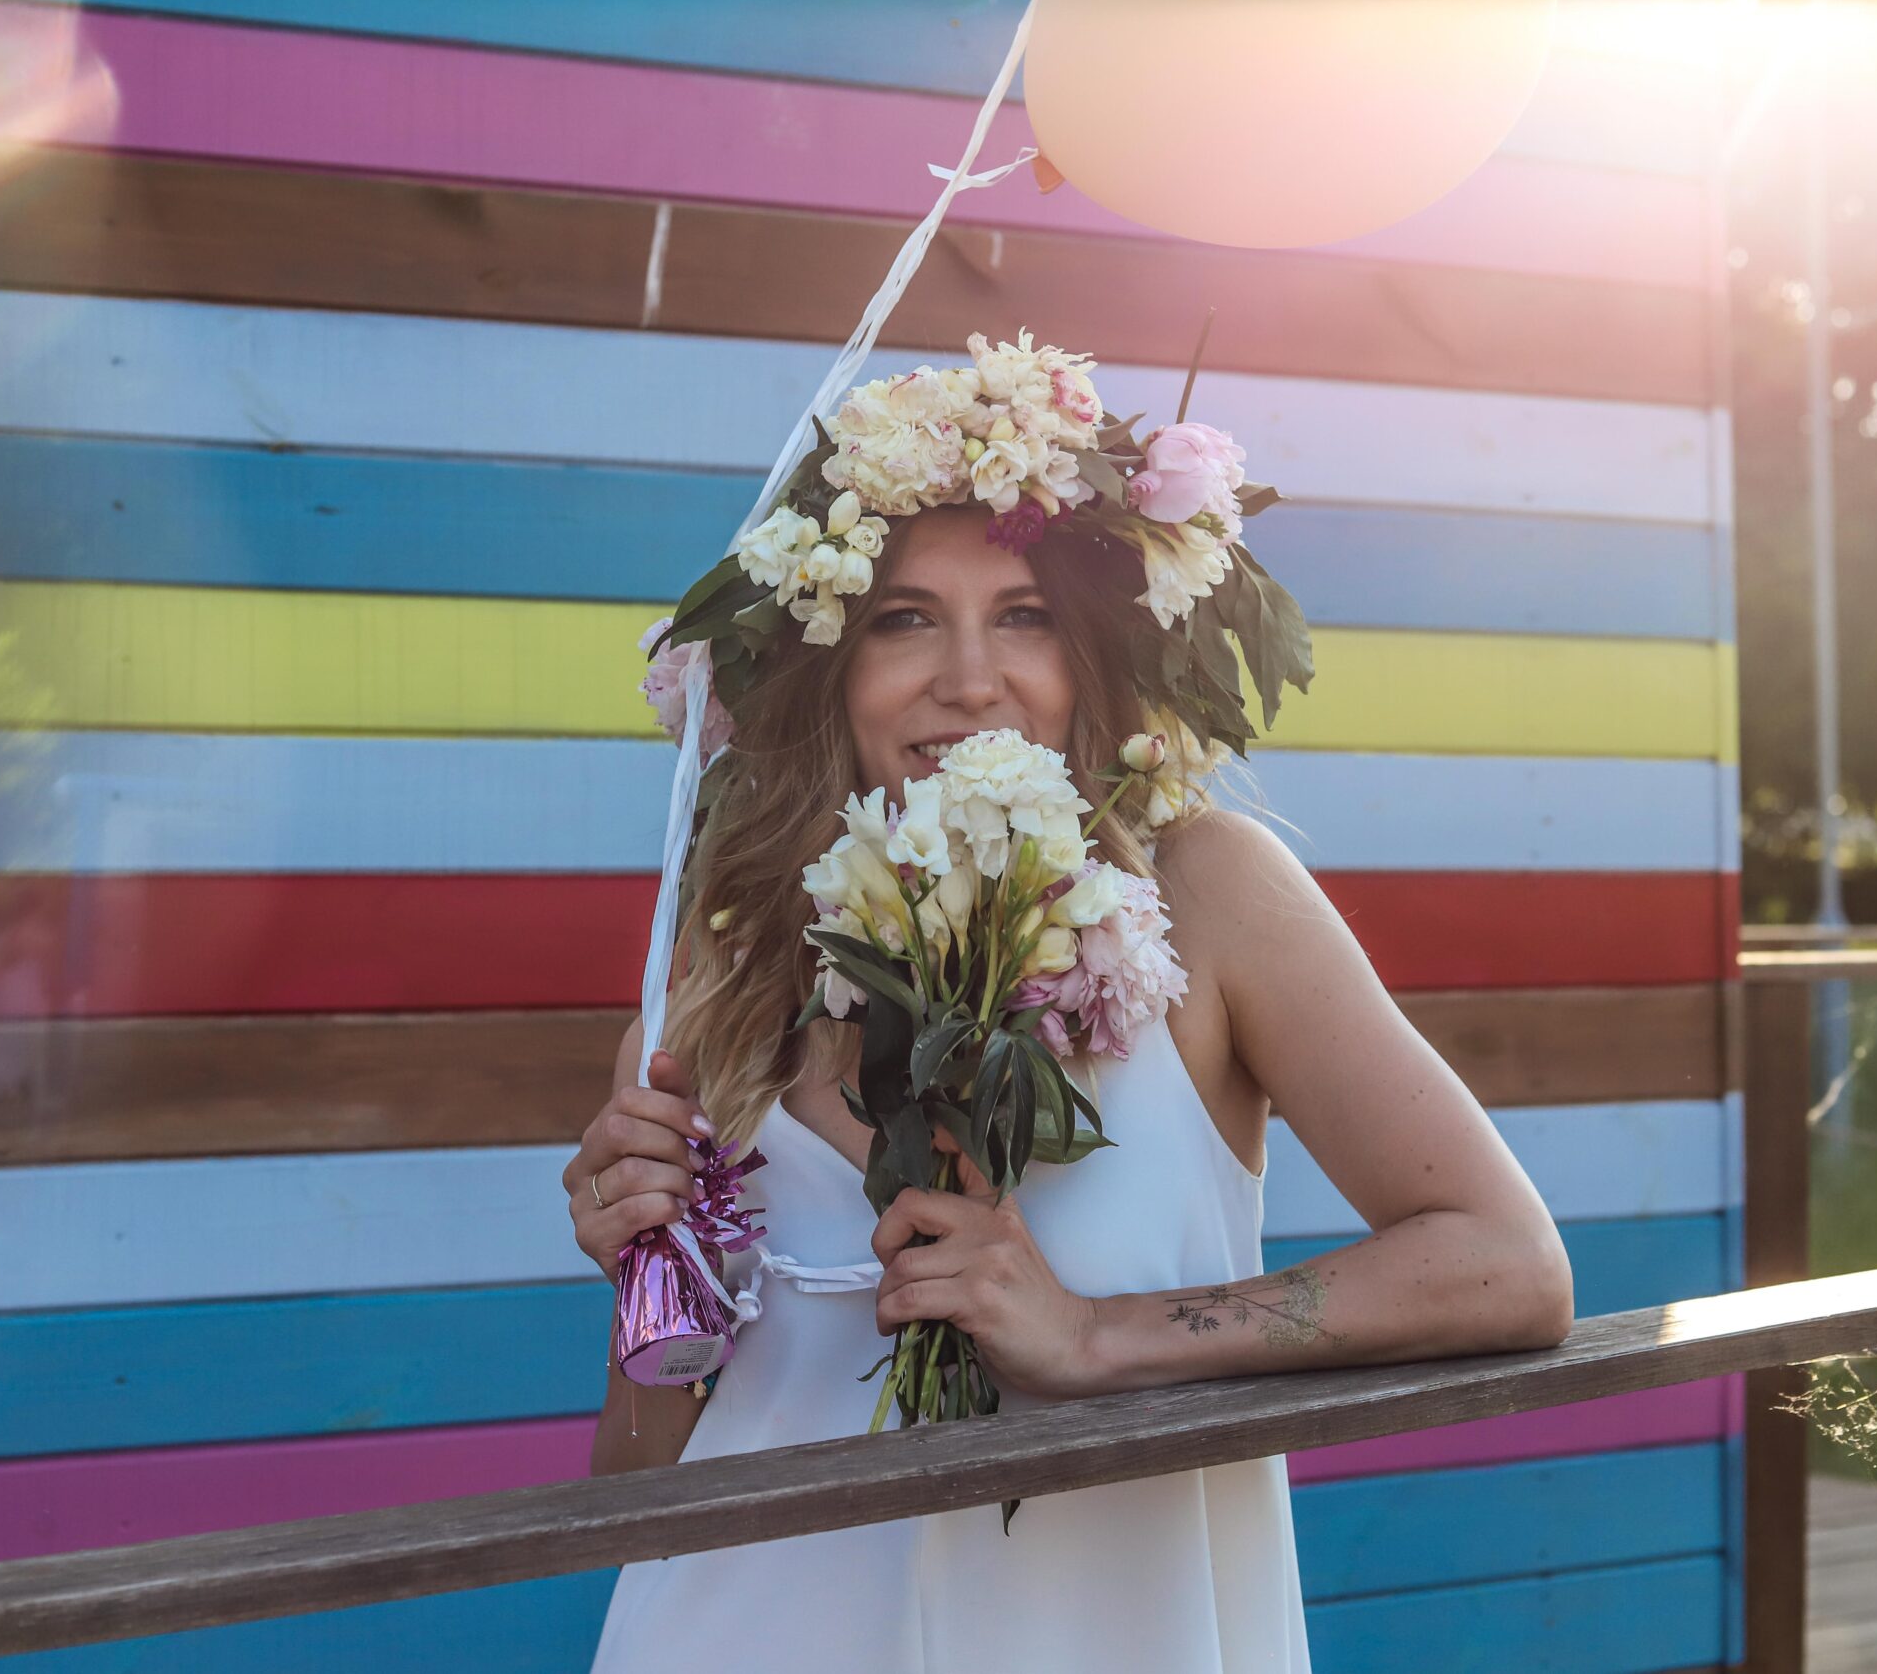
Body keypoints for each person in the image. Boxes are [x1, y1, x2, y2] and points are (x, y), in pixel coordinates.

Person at [562, 333, 1575, 1673]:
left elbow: (1505, 1264)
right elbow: (640, 1497)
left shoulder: (1206, 893)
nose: (970, 679)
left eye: (1025, 616)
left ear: (1092, 655)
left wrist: (1095, 1337)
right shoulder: (718, 987)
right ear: (830, 664)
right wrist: (651, 1285)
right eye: (902, 619)